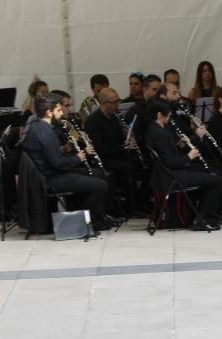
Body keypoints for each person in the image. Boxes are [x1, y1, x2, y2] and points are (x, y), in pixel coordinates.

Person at [22, 93, 117, 231]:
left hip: (47, 173)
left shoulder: (37, 126)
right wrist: (80, 156)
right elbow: (58, 164)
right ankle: (88, 222)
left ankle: (94, 216)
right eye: (59, 110)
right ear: (49, 112)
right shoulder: (46, 132)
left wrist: (67, 150)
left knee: (98, 174)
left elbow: (51, 156)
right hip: (50, 178)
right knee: (101, 185)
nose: (61, 114)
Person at [147, 101, 222, 231]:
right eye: (169, 115)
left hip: (166, 174)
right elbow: (171, 163)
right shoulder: (161, 134)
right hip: (170, 177)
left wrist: (183, 143)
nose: (170, 117)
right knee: (217, 181)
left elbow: (168, 153)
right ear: (160, 115)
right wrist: (190, 156)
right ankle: (200, 220)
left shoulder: (153, 129)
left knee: (211, 175)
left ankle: (203, 216)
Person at [86, 87, 142, 214]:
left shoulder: (114, 118)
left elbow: (118, 140)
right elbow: (99, 149)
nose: (118, 105)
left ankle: (138, 203)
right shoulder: (93, 121)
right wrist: (123, 147)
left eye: (118, 101)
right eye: (115, 102)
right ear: (105, 104)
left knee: (139, 162)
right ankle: (127, 207)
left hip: (116, 154)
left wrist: (127, 138)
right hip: (103, 159)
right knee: (129, 167)